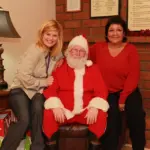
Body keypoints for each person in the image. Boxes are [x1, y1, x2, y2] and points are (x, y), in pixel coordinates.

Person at [0, 20, 63, 150]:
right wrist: (44, 82)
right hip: (21, 90)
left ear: (58, 38)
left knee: (38, 113)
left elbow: (66, 58)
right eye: (48, 34)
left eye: (54, 35)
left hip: (37, 92)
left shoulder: (56, 54)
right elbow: (23, 76)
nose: (50, 38)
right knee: (25, 120)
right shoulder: (35, 50)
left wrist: (66, 58)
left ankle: (37, 147)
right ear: (42, 34)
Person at [42, 35, 109, 150]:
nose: (77, 53)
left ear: (86, 54)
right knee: (49, 114)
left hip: (85, 111)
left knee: (100, 115)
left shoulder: (93, 69)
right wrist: (56, 107)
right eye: (75, 50)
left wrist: (94, 107)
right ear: (69, 51)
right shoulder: (59, 67)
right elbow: (51, 90)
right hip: (64, 111)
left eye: (81, 51)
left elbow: (101, 91)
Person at [90, 15, 146, 150]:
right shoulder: (98, 48)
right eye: (111, 30)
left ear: (124, 33)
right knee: (111, 119)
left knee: (136, 115)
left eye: (119, 30)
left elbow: (133, 76)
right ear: (106, 33)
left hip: (128, 91)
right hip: (106, 92)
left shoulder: (130, 50)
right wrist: (62, 60)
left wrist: (123, 99)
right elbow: (78, 53)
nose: (115, 33)